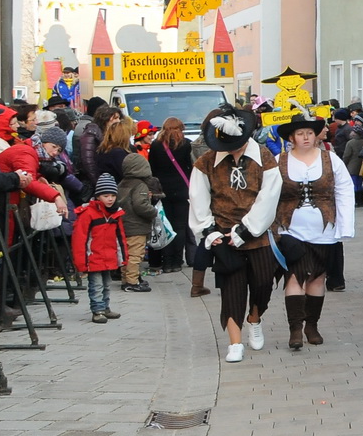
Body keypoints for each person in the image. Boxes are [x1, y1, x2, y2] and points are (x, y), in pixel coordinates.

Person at [189, 108, 283, 364]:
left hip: (258, 233)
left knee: (263, 283)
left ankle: (255, 318)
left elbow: (269, 196)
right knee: (232, 289)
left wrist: (247, 228)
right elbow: (198, 197)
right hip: (223, 234)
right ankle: (235, 342)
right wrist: (209, 231)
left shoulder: (264, 157)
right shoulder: (206, 162)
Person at [272, 115, 356, 350]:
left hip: (323, 229)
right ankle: (295, 329)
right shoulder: (279, 161)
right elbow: (268, 194)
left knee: (317, 277)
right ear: (292, 138)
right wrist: (270, 227)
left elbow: (344, 191)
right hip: (290, 229)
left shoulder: (330, 159)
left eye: (309, 133)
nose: (306, 137)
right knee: (294, 276)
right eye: (300, 134)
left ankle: (312, 325)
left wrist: (345, 226)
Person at [72, 174, 126, 324]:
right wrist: (81, 263)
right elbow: (79, 239)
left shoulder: (115, 214)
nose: (110, 199)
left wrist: (122, 257)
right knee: (96, 285)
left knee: (107, 285)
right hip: (93, 257)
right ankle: (98, 310)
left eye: (113, 195)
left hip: (108, 256)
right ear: (98, 196)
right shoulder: (88, 214)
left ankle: (105, 307)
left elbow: (120, 237)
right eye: (106, 196)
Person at [149, 118, 195, 278]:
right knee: (180, 227)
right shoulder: (186, 144)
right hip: (182, 190)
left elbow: (152, 169)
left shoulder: (156, 145)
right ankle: (177, 261)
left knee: (165, 226)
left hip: (163, 191)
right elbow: (191, 167)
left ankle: (167, 262)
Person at [115, 148, 158, 293]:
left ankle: (126, 279)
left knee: (125, 255)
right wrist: (153, 211)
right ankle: (132, 282)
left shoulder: (122, 183)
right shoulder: (140, 185)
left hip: (123, 225)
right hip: (137, 227)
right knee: (135, 255)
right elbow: (141, 206)